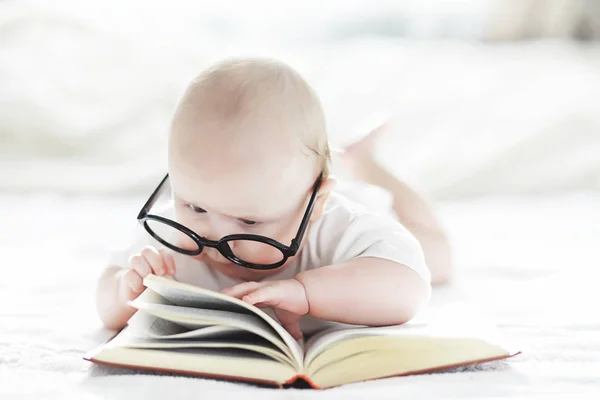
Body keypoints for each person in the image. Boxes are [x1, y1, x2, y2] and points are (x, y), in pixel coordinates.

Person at [96, 57, 452, 340]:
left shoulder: (341, 228)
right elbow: (106, 296)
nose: (214, 238)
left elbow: (409, 287)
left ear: (316, 201)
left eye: (249, 222)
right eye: (195, 206)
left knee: (439, 256)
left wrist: (306, 293)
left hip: (366, 208)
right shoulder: (171, 236)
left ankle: (365, 161)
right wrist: (125, 290)